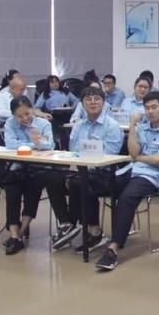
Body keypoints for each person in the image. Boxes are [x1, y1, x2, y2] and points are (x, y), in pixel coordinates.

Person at [94, 92, 159, 271]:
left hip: (151, 176)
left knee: (127, 197)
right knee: (90, 184)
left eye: (154, 107)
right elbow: (133, 152)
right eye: (147, 108)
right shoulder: (141, 128)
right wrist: (133, 125)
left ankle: (113, 248)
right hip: (130, 170)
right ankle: (92, 232)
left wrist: (138, 158)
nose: (150, 111)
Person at [50, 86, 124, 251]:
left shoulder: (111, 126)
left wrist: (83, 166)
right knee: (52, 178)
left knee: (80, 182)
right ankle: (66, 223)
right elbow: (74, 150)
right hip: (81, 169)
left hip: (105, 173)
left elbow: (110, 154)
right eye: (88, 99)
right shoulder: (79, 126)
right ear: (82, 104)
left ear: (103, 103)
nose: (92, 102)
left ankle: (94, 232)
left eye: (97, 99)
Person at [0, 97, 61, 254]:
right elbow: (10, 144)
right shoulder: (10, 124)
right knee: (12, 190)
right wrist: (34, 144)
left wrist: (31, 143)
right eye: (19, 116)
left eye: (27, 113)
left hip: (37, 168)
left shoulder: (43, 124)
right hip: (17, 167)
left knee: (33, 189)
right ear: (13, 115)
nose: (25, 118)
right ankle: (14, 234)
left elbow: (50, 145)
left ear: (32, 109)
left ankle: (20, 233)